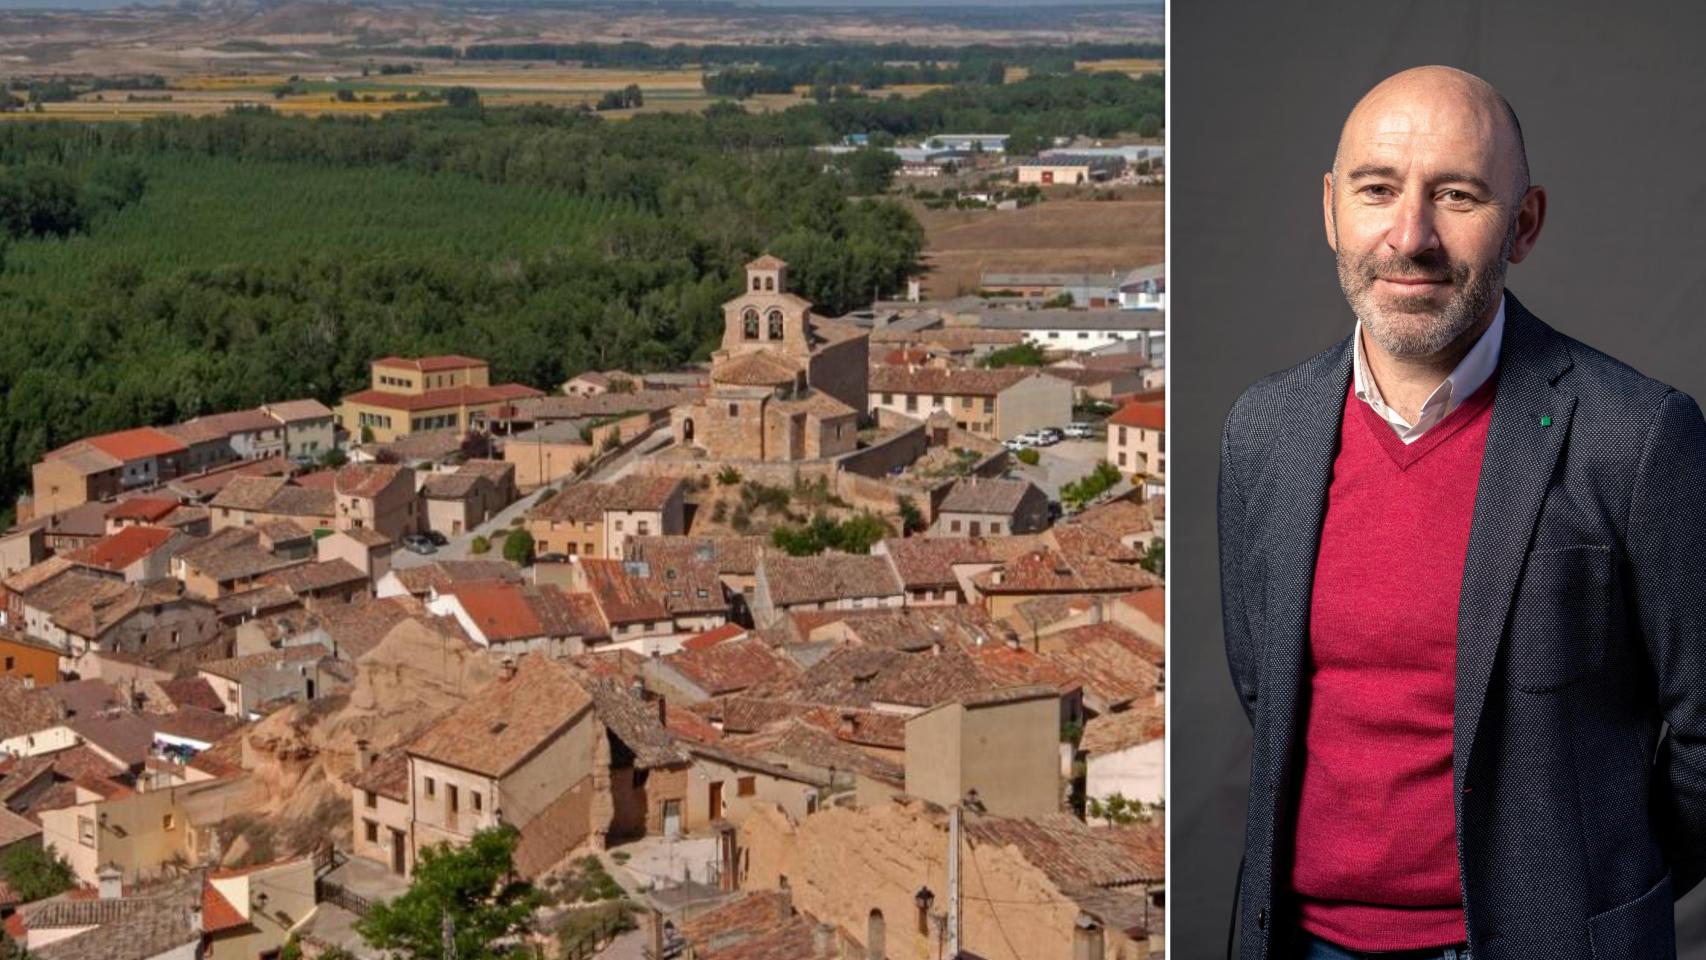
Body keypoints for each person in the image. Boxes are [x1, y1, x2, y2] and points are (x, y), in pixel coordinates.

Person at [1218, 65, 1706, 960]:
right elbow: (1267, 689)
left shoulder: (1638, 437)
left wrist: (1596, 879)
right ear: (1333, 210)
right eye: (1377, 190)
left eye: (1457, 195)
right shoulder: (1263, 433)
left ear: (1523, 225)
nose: (1411, 236)